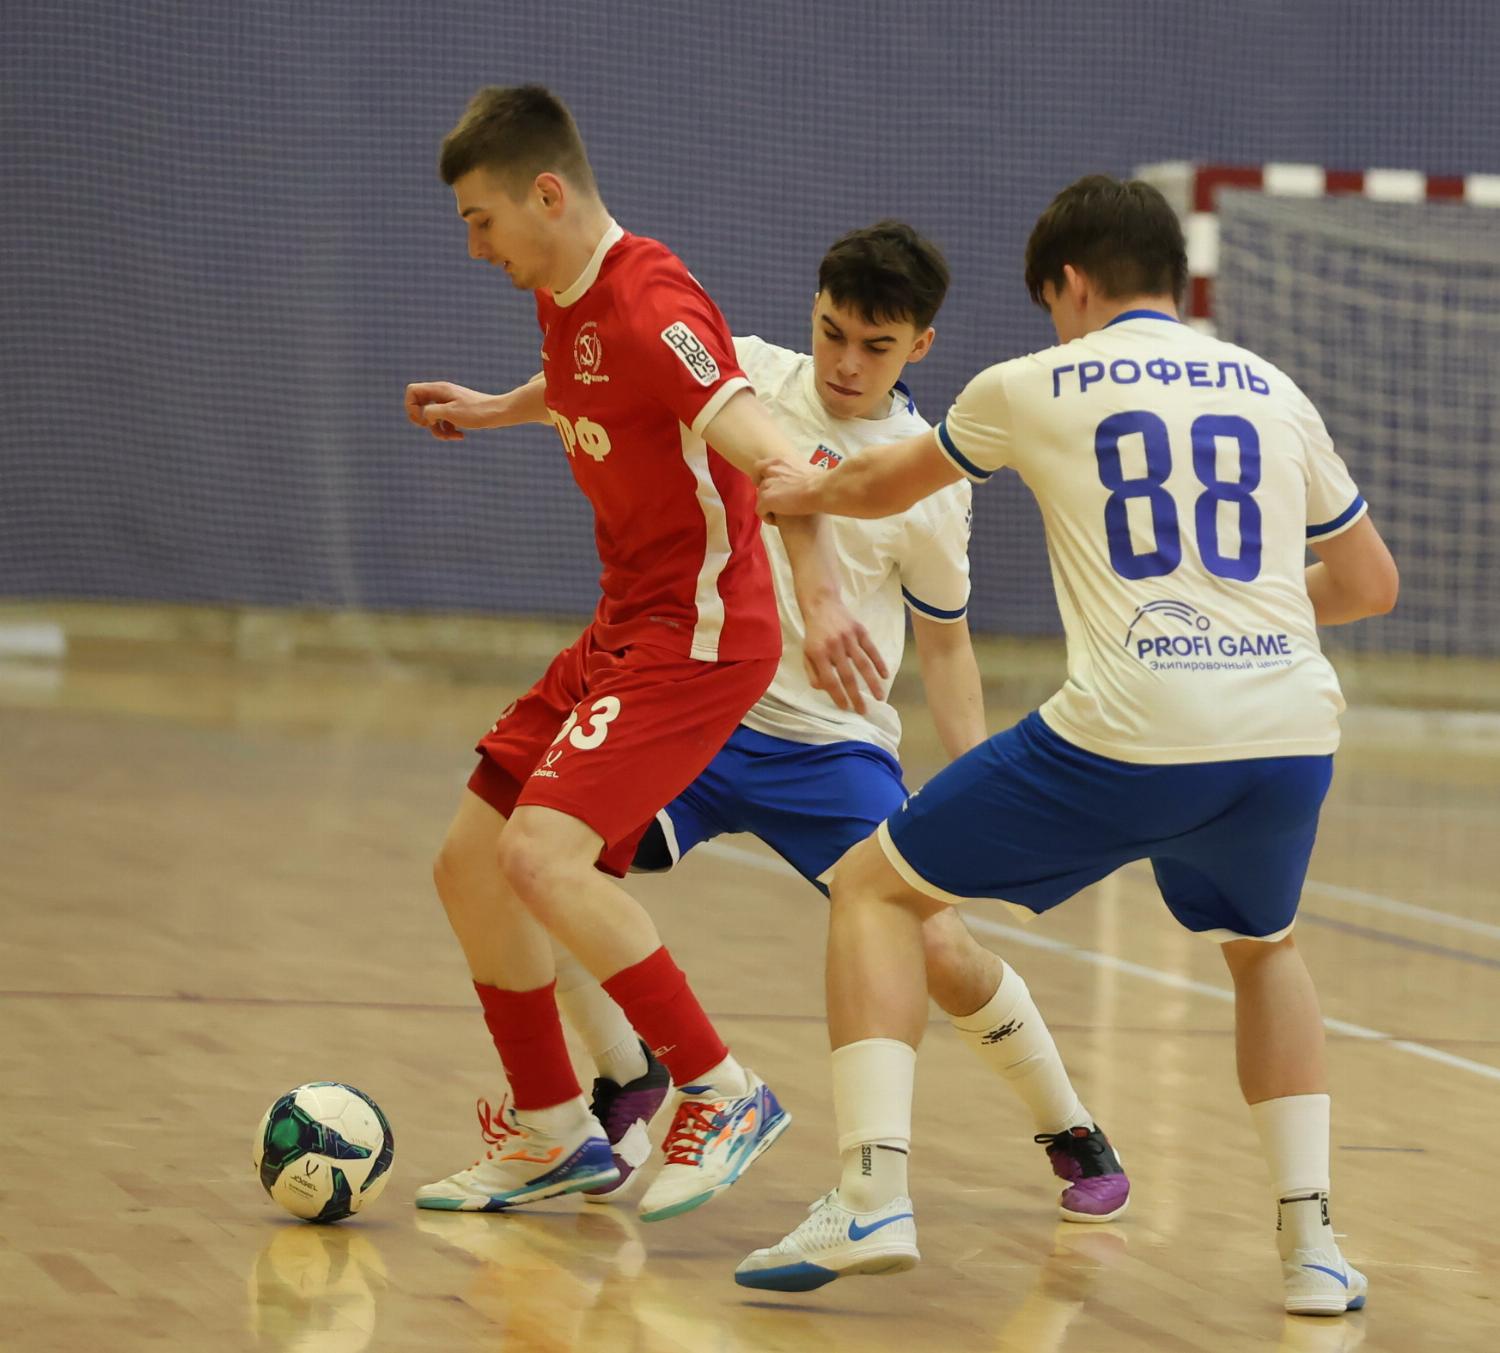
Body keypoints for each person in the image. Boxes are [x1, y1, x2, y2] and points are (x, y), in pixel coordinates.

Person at [743, 175, 1398, 1315]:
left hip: (1132, 725)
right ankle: (1314, 1251)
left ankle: (872, 1192)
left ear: (1074, 283)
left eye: (1051, 301)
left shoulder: (1030, 383)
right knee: (1265, 951)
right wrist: (1237, 614)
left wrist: (802, 484)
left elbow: (878, 481)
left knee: (872, 890)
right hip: (1289, 731)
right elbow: (1370, 583)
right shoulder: (1272, 386)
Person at [550, 220, 1129, 1223]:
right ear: (812, 314)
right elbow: (602, 383)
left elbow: (945, 648)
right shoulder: (749, 375)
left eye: (876, 345)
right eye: (832, 333)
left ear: (920, 347)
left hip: (833, 750)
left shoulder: (925, 479)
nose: (846, 362)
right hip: (702, 715)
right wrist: (500, 408)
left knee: (939, 949)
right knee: (546, 855)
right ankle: (628, 1071)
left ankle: (1068, 1124)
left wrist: (981, 788)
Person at [402, 84, 884, 1222]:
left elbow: (777, 454)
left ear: (547, 194)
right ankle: (554, 1131)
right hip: (624, 624)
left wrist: (820, 598)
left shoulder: (653, 300)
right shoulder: (564, 293)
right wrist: (497, 408)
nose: (474, 247)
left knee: (542, 858)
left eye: (480, 220)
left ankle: (723, 1092)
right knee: (470, 862)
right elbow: (591, 382)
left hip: (700, 636)